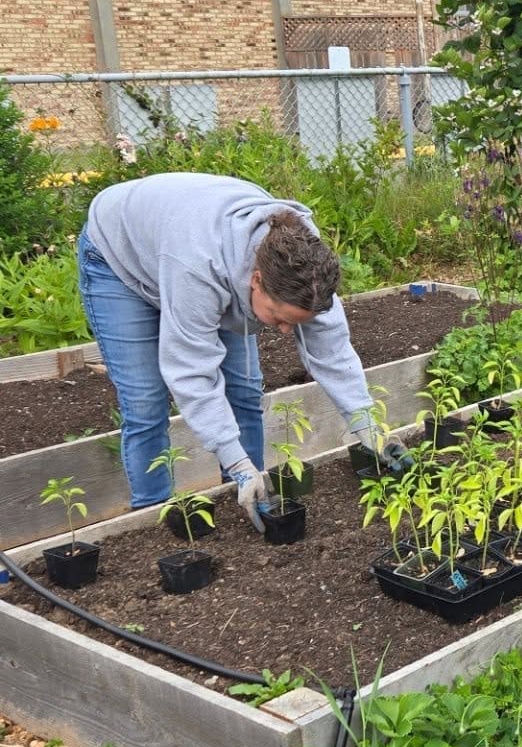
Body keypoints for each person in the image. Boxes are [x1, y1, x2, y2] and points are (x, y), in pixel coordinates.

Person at [76, 173, 409, 529]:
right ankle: (155, 517)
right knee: (145, 401)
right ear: (257, 280)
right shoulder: (200, 268)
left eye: (294, 322)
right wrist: (237, 463)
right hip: (119, 256)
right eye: (278, 318)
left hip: (187, 238)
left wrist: (368, 428)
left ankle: (254, 494)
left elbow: (333, 351)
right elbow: (191, 371)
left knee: (245, 390)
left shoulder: (308, 267)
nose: (285, 331)